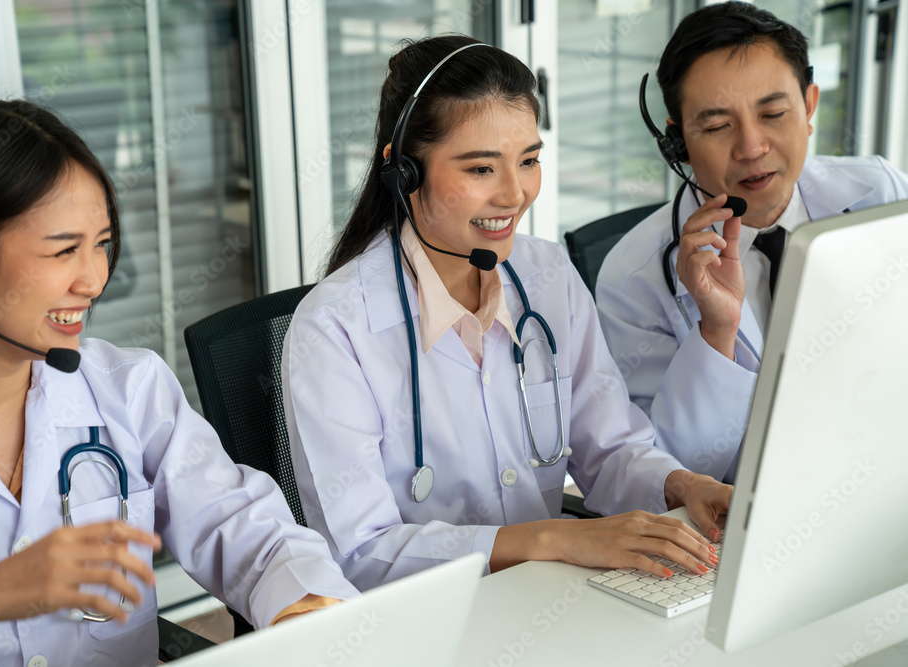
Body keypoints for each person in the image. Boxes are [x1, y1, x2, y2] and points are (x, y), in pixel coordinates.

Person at [0, 98, 358, 667]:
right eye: (64, 249)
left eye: (101, 244)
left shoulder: (128, 388)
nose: (95, 280)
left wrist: (308, 610)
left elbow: (242, 526)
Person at [282, 35, 731, 593]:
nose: (516, 195)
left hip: (544, 595)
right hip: (426, 624)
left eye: (529, 161)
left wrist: (681, 485)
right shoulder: (335, 327)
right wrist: (549, 539)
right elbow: (361, 551)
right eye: (480, 170)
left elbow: (610, 446)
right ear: (404, 174)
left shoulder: (547, 275)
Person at [595, 2, 908, 483]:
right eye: (718, 127)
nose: (752, 148)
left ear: (808, 107)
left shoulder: (881, 193)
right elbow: (668, 477)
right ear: (676, 144)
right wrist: (716, 335)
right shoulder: (631, 277)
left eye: (774, 113)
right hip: (751, 512)